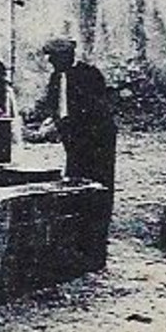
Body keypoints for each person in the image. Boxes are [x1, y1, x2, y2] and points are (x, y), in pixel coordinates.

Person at [27, 39, 117, 228]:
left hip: (96, 135)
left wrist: (62, 125)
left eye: (54, 58)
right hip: (73, 135)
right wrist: (46, 122)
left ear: (66, 57)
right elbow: (54, 106)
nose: (50, 62)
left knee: (99, 173)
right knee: (75, 173)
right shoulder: (55, 78)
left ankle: (100, 217)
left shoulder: (89, 75)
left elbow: (94, 108)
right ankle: (79, 214)